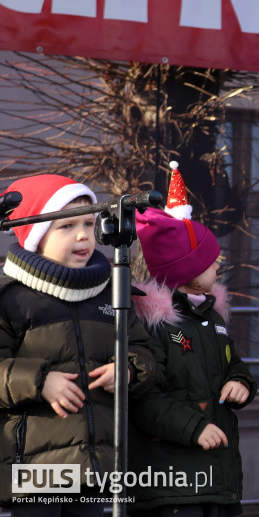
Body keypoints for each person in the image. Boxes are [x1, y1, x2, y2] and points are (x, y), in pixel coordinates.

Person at [0, 174, 156, 515]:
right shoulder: (10, 297)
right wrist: (40, 382)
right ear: (36, 236)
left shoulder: (113, 292)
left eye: (89, 222)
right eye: (66, 226)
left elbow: (147, 353)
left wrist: (129, 370)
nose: (84, 235)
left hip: (100, 463)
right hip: (33, 467)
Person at [127, 162, 257, 516]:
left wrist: (240, 382)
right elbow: (143, 399)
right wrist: (194, 427)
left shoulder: (211, 317)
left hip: (219, 480)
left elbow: (232, 364)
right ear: (185, 270)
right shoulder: (154, 325)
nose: (219, 265)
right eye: (210, 260)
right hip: (173, 487)